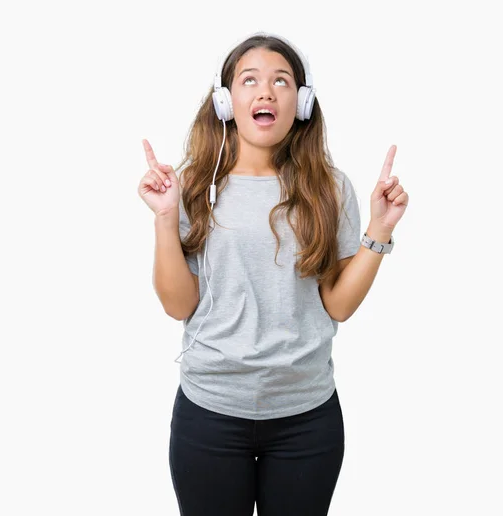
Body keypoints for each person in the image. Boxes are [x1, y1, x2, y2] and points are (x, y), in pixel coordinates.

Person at [137, 31, 409, 516]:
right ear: (226, 102)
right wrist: (164, 216)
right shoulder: (194, 185)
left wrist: (379, 230)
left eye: (281, 81)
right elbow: (178, 305)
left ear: (301, 103)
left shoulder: (329, 187)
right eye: (250, 81)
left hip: (306, 418)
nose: (265, 91)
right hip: (210, 412)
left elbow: (339, 305)